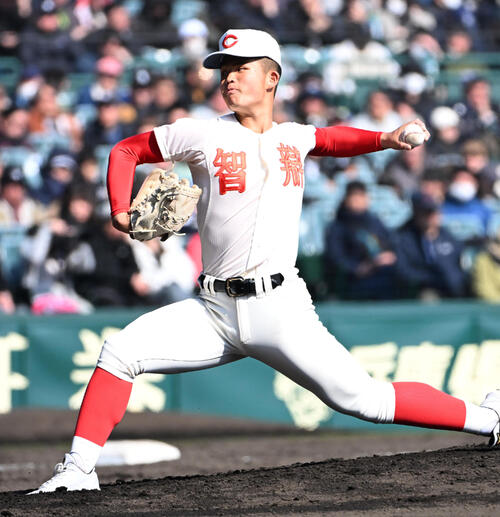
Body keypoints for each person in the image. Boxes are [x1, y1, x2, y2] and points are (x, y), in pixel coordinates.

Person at [31, 29, 500, 494]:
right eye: (224, 70)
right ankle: (78, 470)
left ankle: (488, 419)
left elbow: (331, 139)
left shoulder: (293, 137)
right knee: (119, 353)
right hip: (213, 309)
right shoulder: (201, 132)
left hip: (279, 309)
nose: (229, 78)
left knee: (364, 399)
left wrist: (385, 137)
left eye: (241, 68)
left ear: (272, 78)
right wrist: (119, 209)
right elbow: (126, 150)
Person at [324, 181, 398, 300]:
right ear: (346, 199)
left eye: (361, 195)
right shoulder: (338, 227)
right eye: (354, 196)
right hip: (355, 280)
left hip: (383, 271)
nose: (358, 200)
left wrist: (390, 255)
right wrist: (358, 268)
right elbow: (336, 257)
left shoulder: (375, 221)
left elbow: (391, 243)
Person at [396, 192, 468, 299]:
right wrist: (432, 279)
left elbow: (459, 265)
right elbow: (404, 272)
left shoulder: (449, 237)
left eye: (433, 212)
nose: (430, 217)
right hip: (425, 289)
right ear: (417, 214)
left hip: (455, 289)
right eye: (426, 213)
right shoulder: (405, 239)